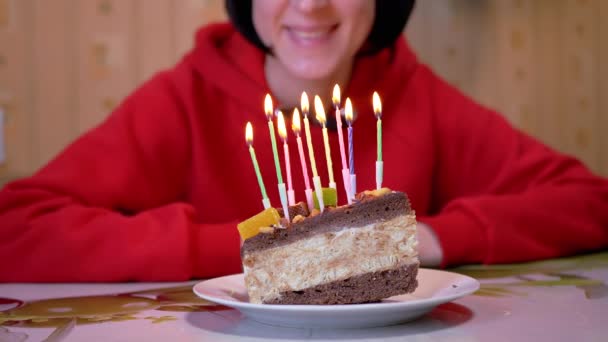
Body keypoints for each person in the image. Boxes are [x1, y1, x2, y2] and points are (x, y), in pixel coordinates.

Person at [0, 0, 606, 282]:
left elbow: (588, 200)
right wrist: (265, 252)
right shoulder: (185, 98)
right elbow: (17, 229)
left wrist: (418, 240)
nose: (311, 4)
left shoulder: (414, 92)